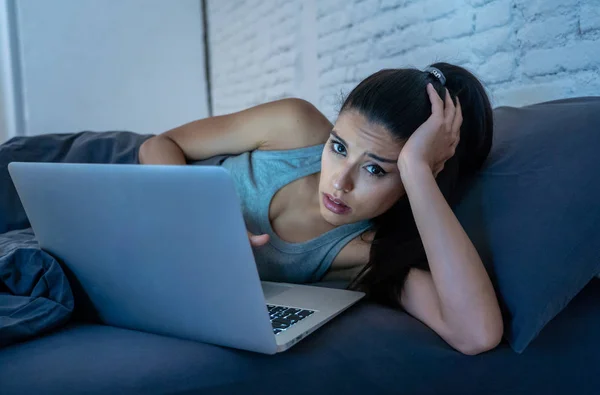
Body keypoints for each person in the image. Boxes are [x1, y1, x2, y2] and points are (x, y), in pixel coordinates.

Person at [138, 62, 503, 355]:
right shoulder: (293, 126)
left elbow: (476, 334)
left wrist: (419, 172)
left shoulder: (368, 254)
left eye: (375, 169)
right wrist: (199, 219)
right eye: (339, 147)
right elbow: (158, 145)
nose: (340, 182)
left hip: (160, 290)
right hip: (135, 217)